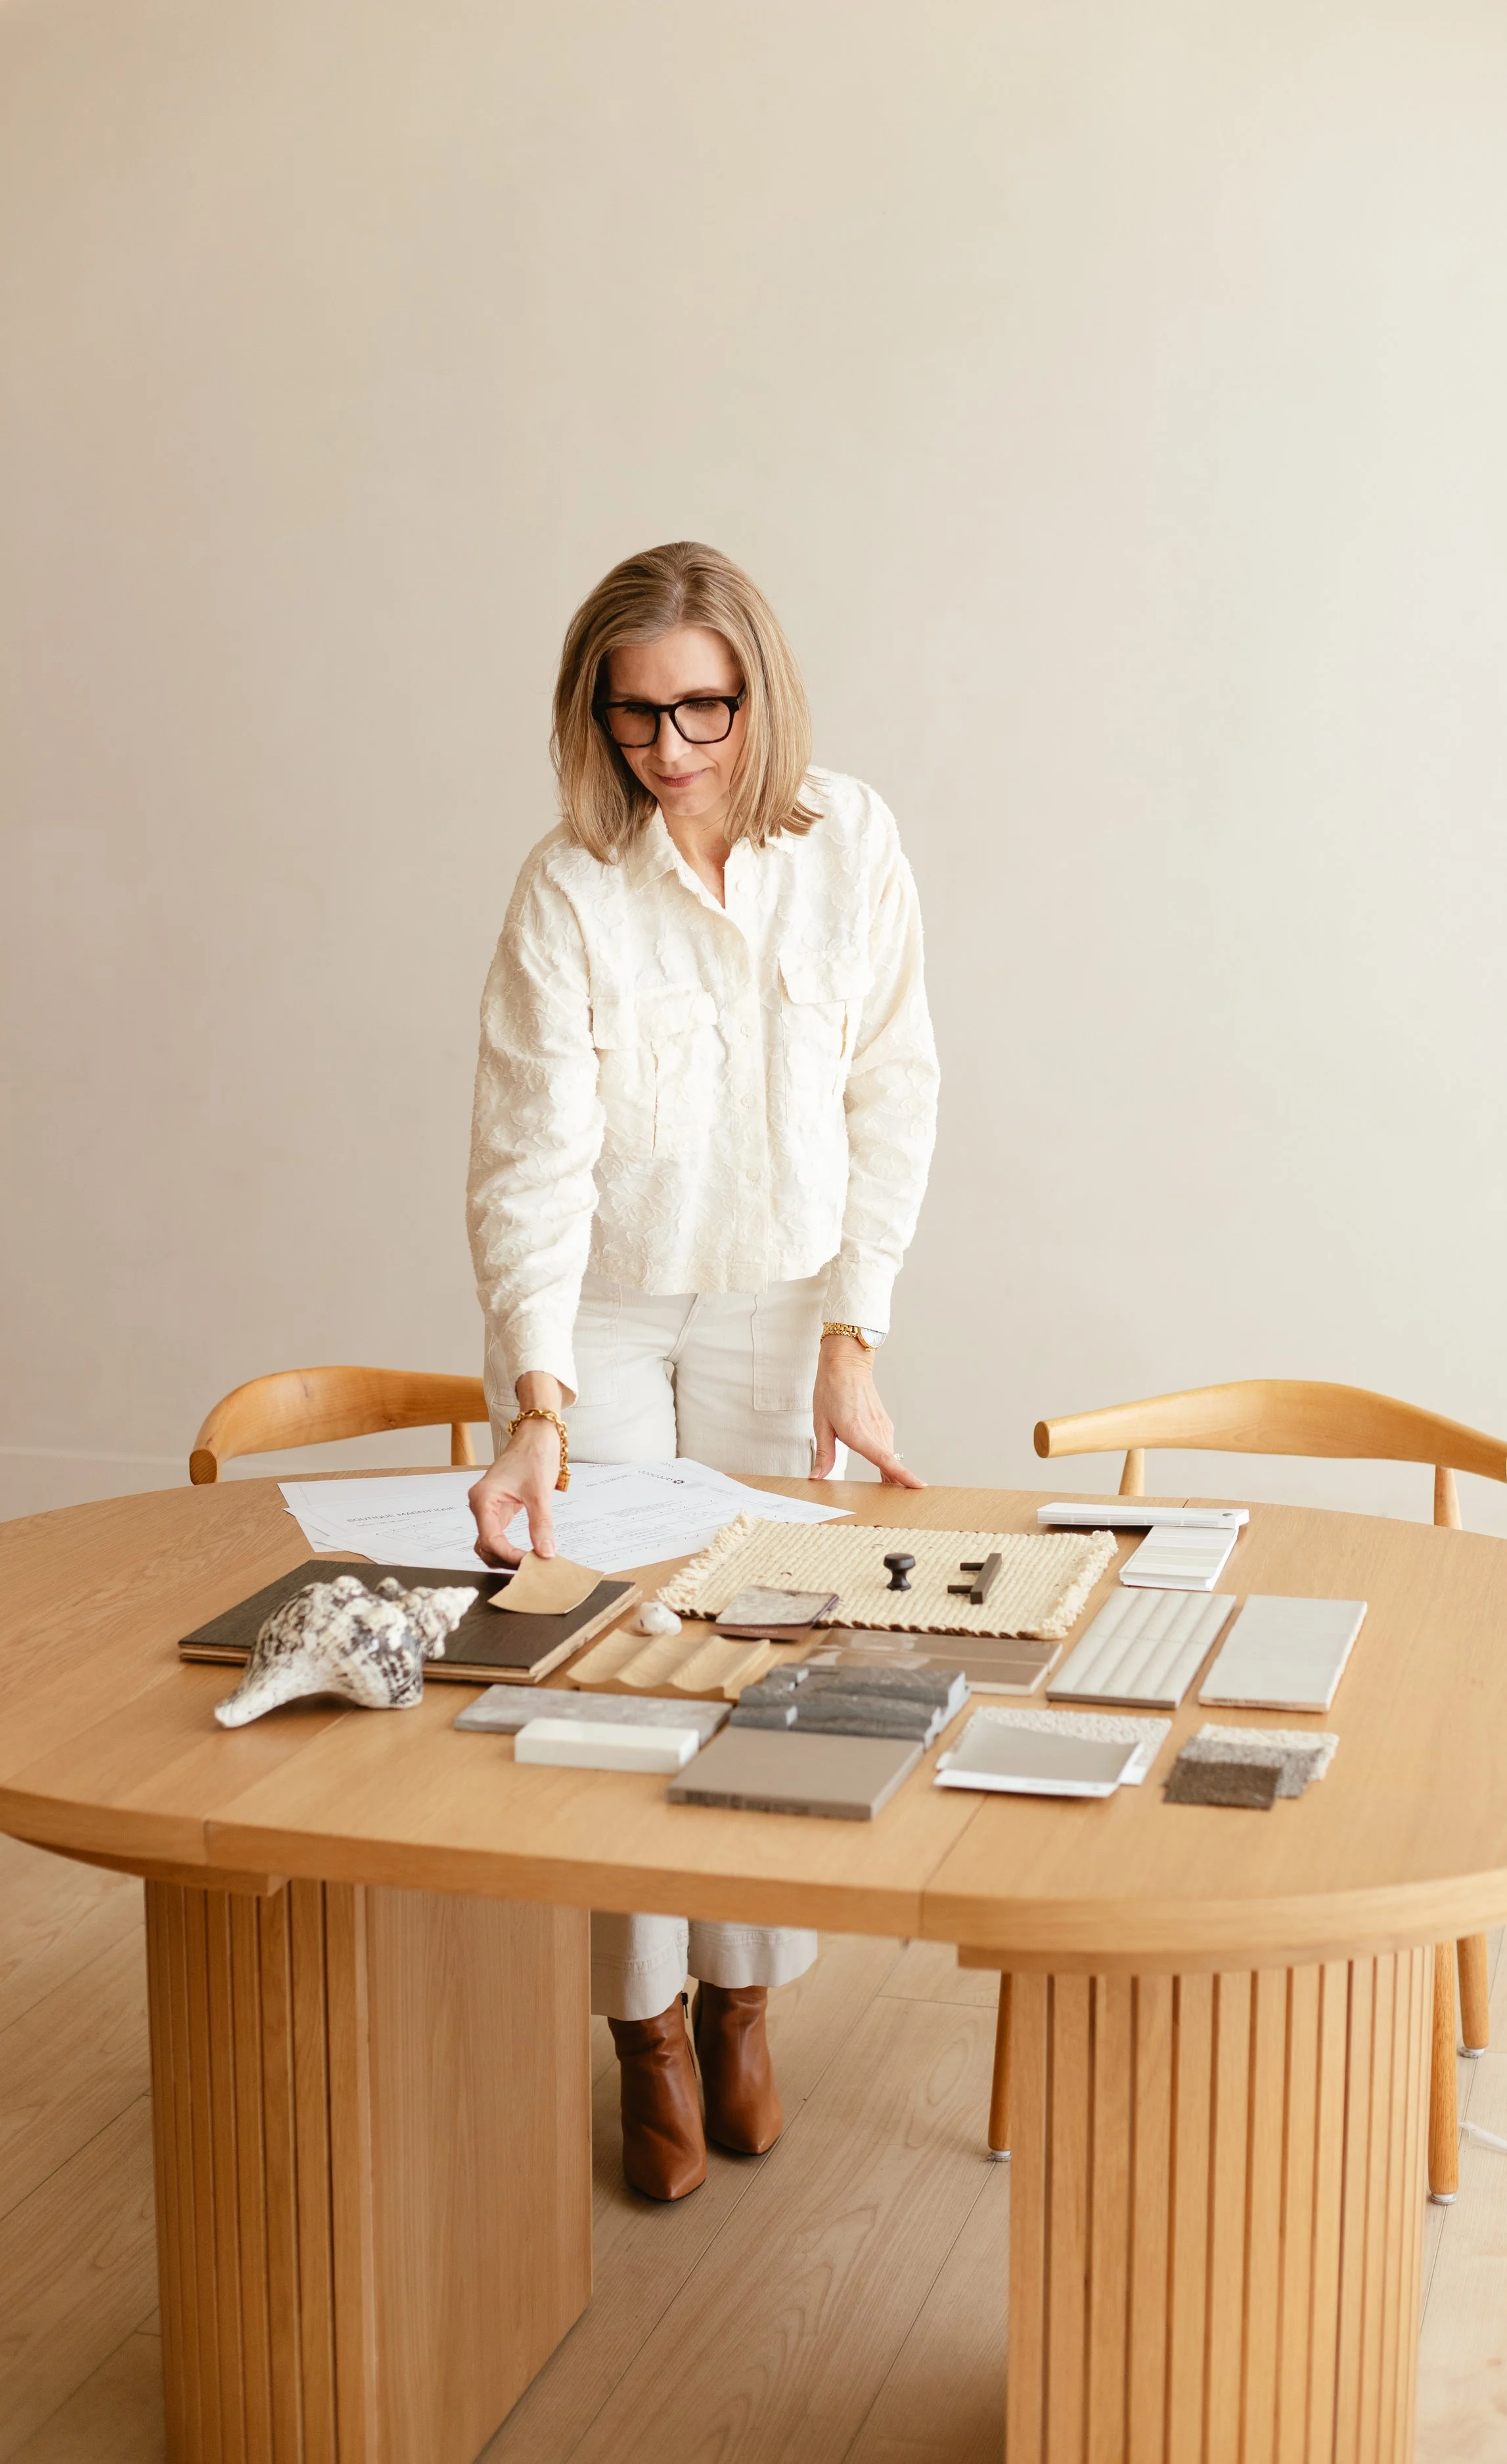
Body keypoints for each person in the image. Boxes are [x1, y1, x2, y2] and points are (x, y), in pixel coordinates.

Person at [465, 541, 939, 2199]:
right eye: (634, 720)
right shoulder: (568, 889)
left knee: (767, 1655)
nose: (670, 753)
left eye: (703, 711)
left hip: (783, 1292)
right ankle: (644, 2039)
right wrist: (537, 1403)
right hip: (605, 1311)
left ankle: (742, 2002)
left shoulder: (848, 841)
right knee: (618, 1661)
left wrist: (851, 1337)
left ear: (759, 693)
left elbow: (895, 1091)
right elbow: (530, 1158)